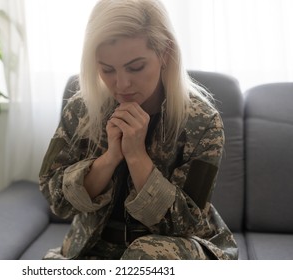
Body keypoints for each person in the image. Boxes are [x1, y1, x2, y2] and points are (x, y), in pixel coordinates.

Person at [39, 0, 238, 260]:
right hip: (93, 248)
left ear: (165, 52)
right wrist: (109, 159)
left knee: (145, 254)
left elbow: (186, 222)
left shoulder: (202, 122)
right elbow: (55, 198)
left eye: (136, 67)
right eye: (107, 69)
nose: (121, 84)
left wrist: (136, 156)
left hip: (176, 250)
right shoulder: (81, 110)